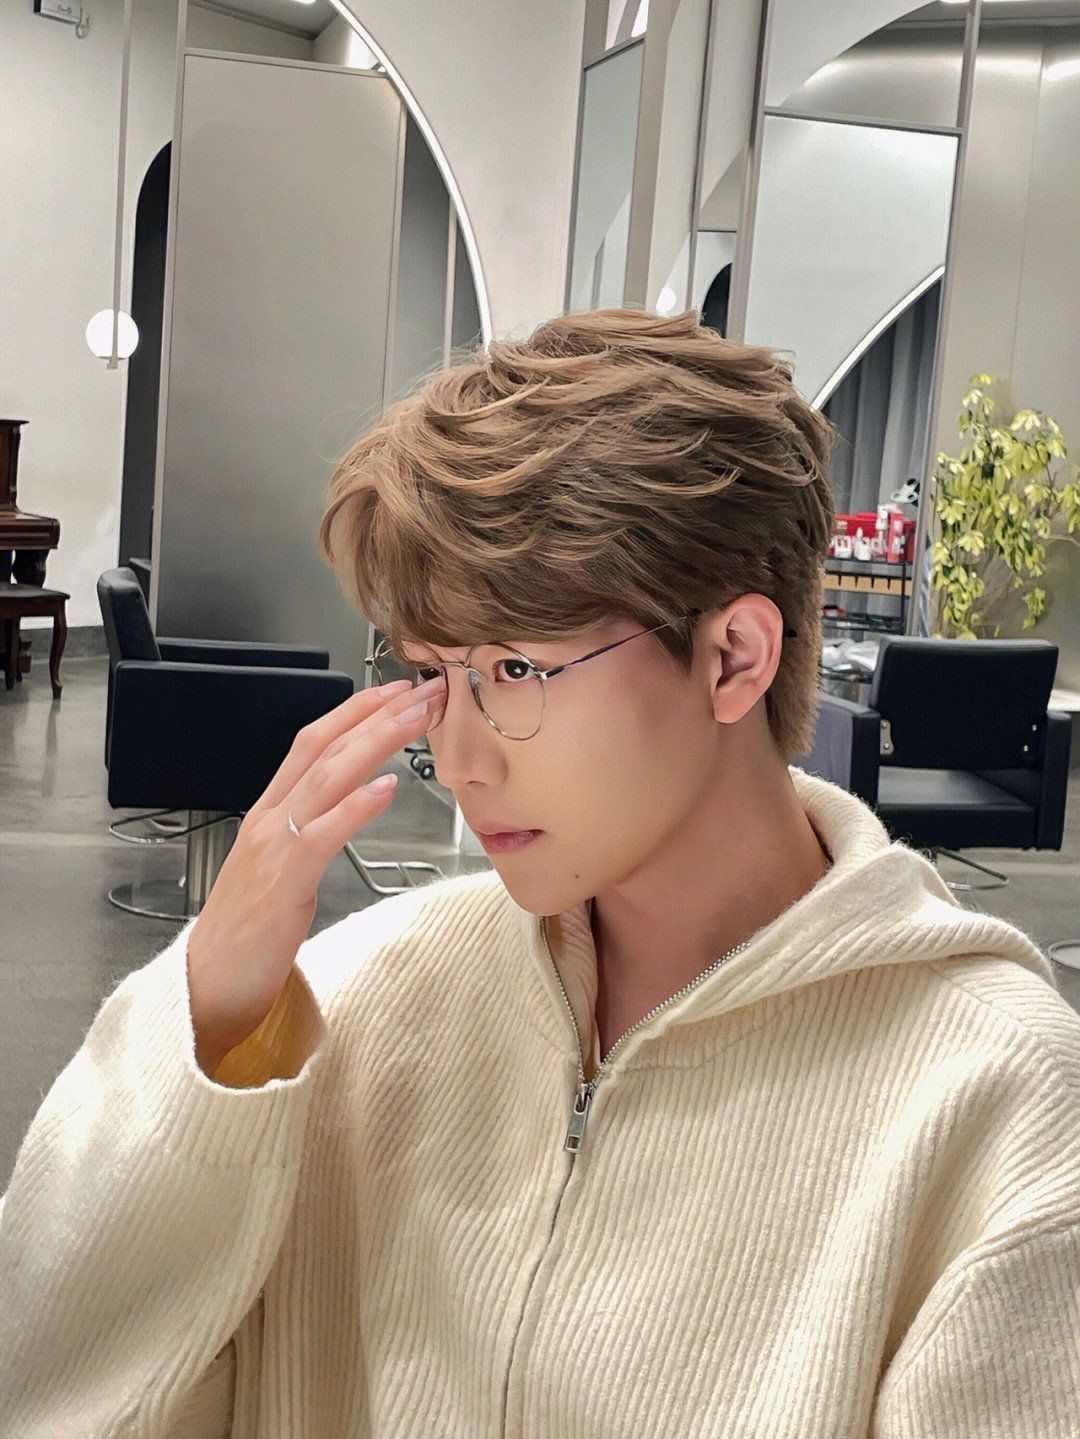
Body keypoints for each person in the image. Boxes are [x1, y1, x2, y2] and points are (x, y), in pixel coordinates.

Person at [1, 308, 1078, 1437]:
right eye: (435, 673)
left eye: (516, 667)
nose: (458, 759)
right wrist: (206, 1017)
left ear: (734, 656)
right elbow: (56, 1378)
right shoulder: (358, 998)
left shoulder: (997, 1107)